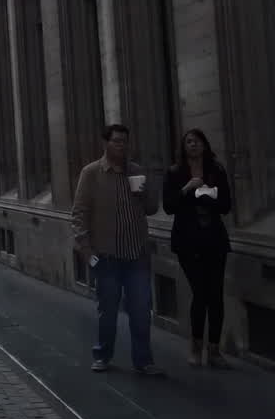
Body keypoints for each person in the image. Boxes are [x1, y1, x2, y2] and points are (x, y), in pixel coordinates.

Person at [71, 124, 163, 376]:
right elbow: (79, 214)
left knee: (141, 311)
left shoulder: (137, 171)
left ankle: (143, 360)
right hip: (107, 256)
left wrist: (147, 190)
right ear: (106, 144)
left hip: (137, 254)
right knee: (107, 311)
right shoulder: (91, 173)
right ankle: (102, 355)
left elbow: (152, 209)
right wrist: (87, 251)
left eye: (125, 142)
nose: (121, 146)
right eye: (116, 142)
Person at [163, 129, 233, 368]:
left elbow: (225, 206)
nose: (193, 145)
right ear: (183, 148)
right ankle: (195, 346)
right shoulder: (175, 173)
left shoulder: (217, 170)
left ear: (204, 144)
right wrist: (187, 188)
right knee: (200, 292)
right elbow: (169, 206)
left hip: (214, 240)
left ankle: (214, 350)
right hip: (188, 242)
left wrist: (207, 196)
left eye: (197, 141)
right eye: (188, 142)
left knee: (216, 295)